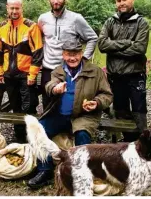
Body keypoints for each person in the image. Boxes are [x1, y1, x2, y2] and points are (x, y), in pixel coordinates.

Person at [27, 40, 113, 189]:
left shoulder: (95, 71)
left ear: (81, 54)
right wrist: (55, 88)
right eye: (68, 55)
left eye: (75, 54)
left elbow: (107, 95)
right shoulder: (58, 70)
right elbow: (50, 85)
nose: (72, 58)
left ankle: (80, 172)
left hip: (84, 116)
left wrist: (97, 103)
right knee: (40, 130)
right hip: (60, 114)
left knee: (82, 134)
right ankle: (45, 170)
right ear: (63, 55)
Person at [98, 0, 149, 142]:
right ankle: (127, 141)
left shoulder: (142, 23)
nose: (121, 3)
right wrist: (127, 43)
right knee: (120, 110)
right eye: (118, 0)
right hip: (115, 75)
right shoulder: (110, 21)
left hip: (135, 74)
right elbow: (101, 45)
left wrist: (113, 48)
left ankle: (142, 143)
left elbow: (139, 49)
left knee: (139, 111)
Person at [38, 0, 98, 109]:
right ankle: (49, 128)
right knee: (48, 106)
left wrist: (84, 59)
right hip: (48, 69)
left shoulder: (76, 19)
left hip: (68, 70)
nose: (56, 1)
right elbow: (38, 40)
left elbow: (92, 38)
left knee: (68, 107)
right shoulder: (42, 19)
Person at [0, 0, 43, 143]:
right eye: (12, 8)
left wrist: (33, 74)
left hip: (26, 74)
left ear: (22, 8)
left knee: (28, 107)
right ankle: (20, 139)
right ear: (7, 8)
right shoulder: (1, 27)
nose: (14, 11)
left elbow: (38, 53)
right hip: (9, 74)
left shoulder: (31, 26)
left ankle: (33, 139)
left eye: (17, 8)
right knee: (15, 106)